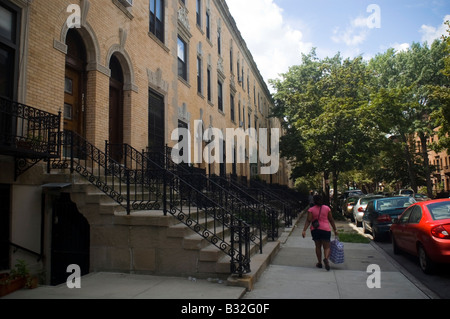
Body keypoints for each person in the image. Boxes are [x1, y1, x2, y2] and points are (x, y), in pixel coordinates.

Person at [302, 194, 338, 271]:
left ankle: (319, 262)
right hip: (325, 229)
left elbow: (308, 220)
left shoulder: (311, 210)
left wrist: (304, 230)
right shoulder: (327, 208)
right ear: (322, 200)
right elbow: (331, 219)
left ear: (314, 201)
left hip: (315, 230)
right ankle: (326, 259)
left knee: (318, 246)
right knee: (327, 247)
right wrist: (335, 230)